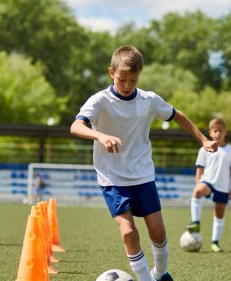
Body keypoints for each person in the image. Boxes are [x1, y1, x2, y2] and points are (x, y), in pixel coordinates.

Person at [71, 45, 218, 281]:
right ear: (111, 72)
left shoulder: (149, 100)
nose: (128, 86)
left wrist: (202, 139)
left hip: (142, 175)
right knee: (129, 231)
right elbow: (76, 126)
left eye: (133, 80)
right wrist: (101, 135)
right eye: (122, 80)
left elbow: (177, 115)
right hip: (112, 177)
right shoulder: (100, 100)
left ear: (140, 75)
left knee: (158, 233)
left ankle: (160, 273)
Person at [185, 118, 231, 253]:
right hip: (207, 181)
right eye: (215, 131)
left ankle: (215, 242)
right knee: (197, 191)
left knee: (219, 213)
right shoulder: (204, 149)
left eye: (221, 131)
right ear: (210, 132)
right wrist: (198, 183)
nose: (218, 133)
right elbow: (200, 168)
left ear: (225, 132)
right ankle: (196, 223)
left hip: (223, 185)